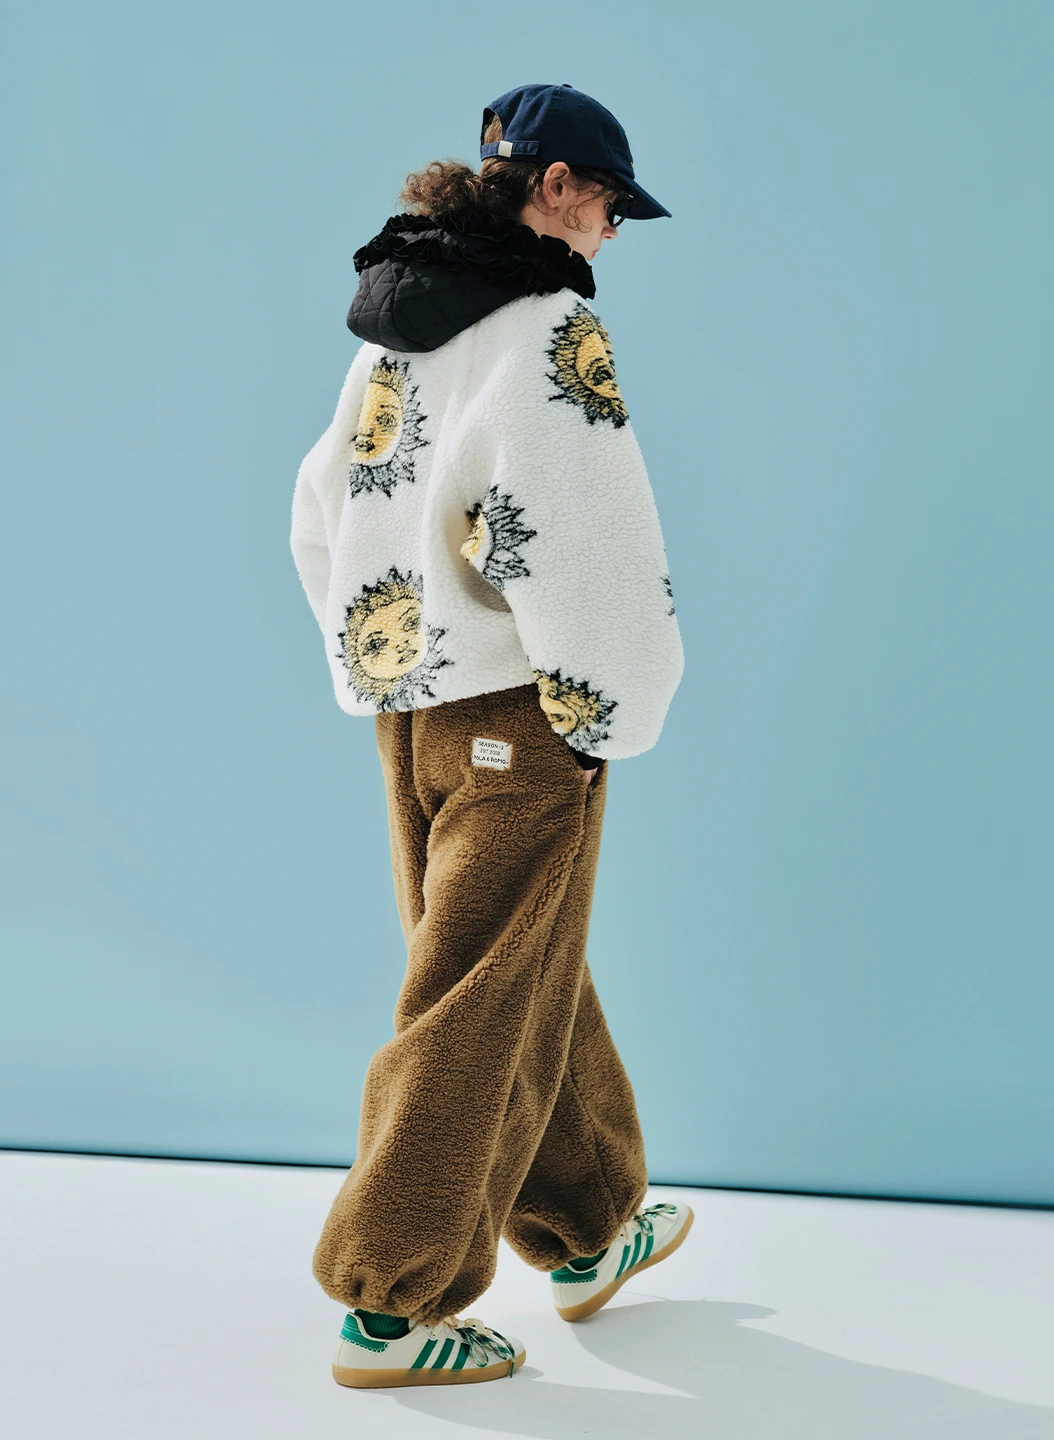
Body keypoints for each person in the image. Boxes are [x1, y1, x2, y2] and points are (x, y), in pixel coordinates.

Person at [289, 82, 691, 1390]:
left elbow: (319, 505)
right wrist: (613, 705)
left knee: (514, 962)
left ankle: (590, 1229)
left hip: (410, 704)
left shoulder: (397, 325)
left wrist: (379, 662)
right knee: (472, 997)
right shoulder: (547, 323)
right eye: (611, 205)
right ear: (558, 185)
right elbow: (585, 538)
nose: (612, 234)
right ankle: (389, 1302)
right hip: (521, 706)